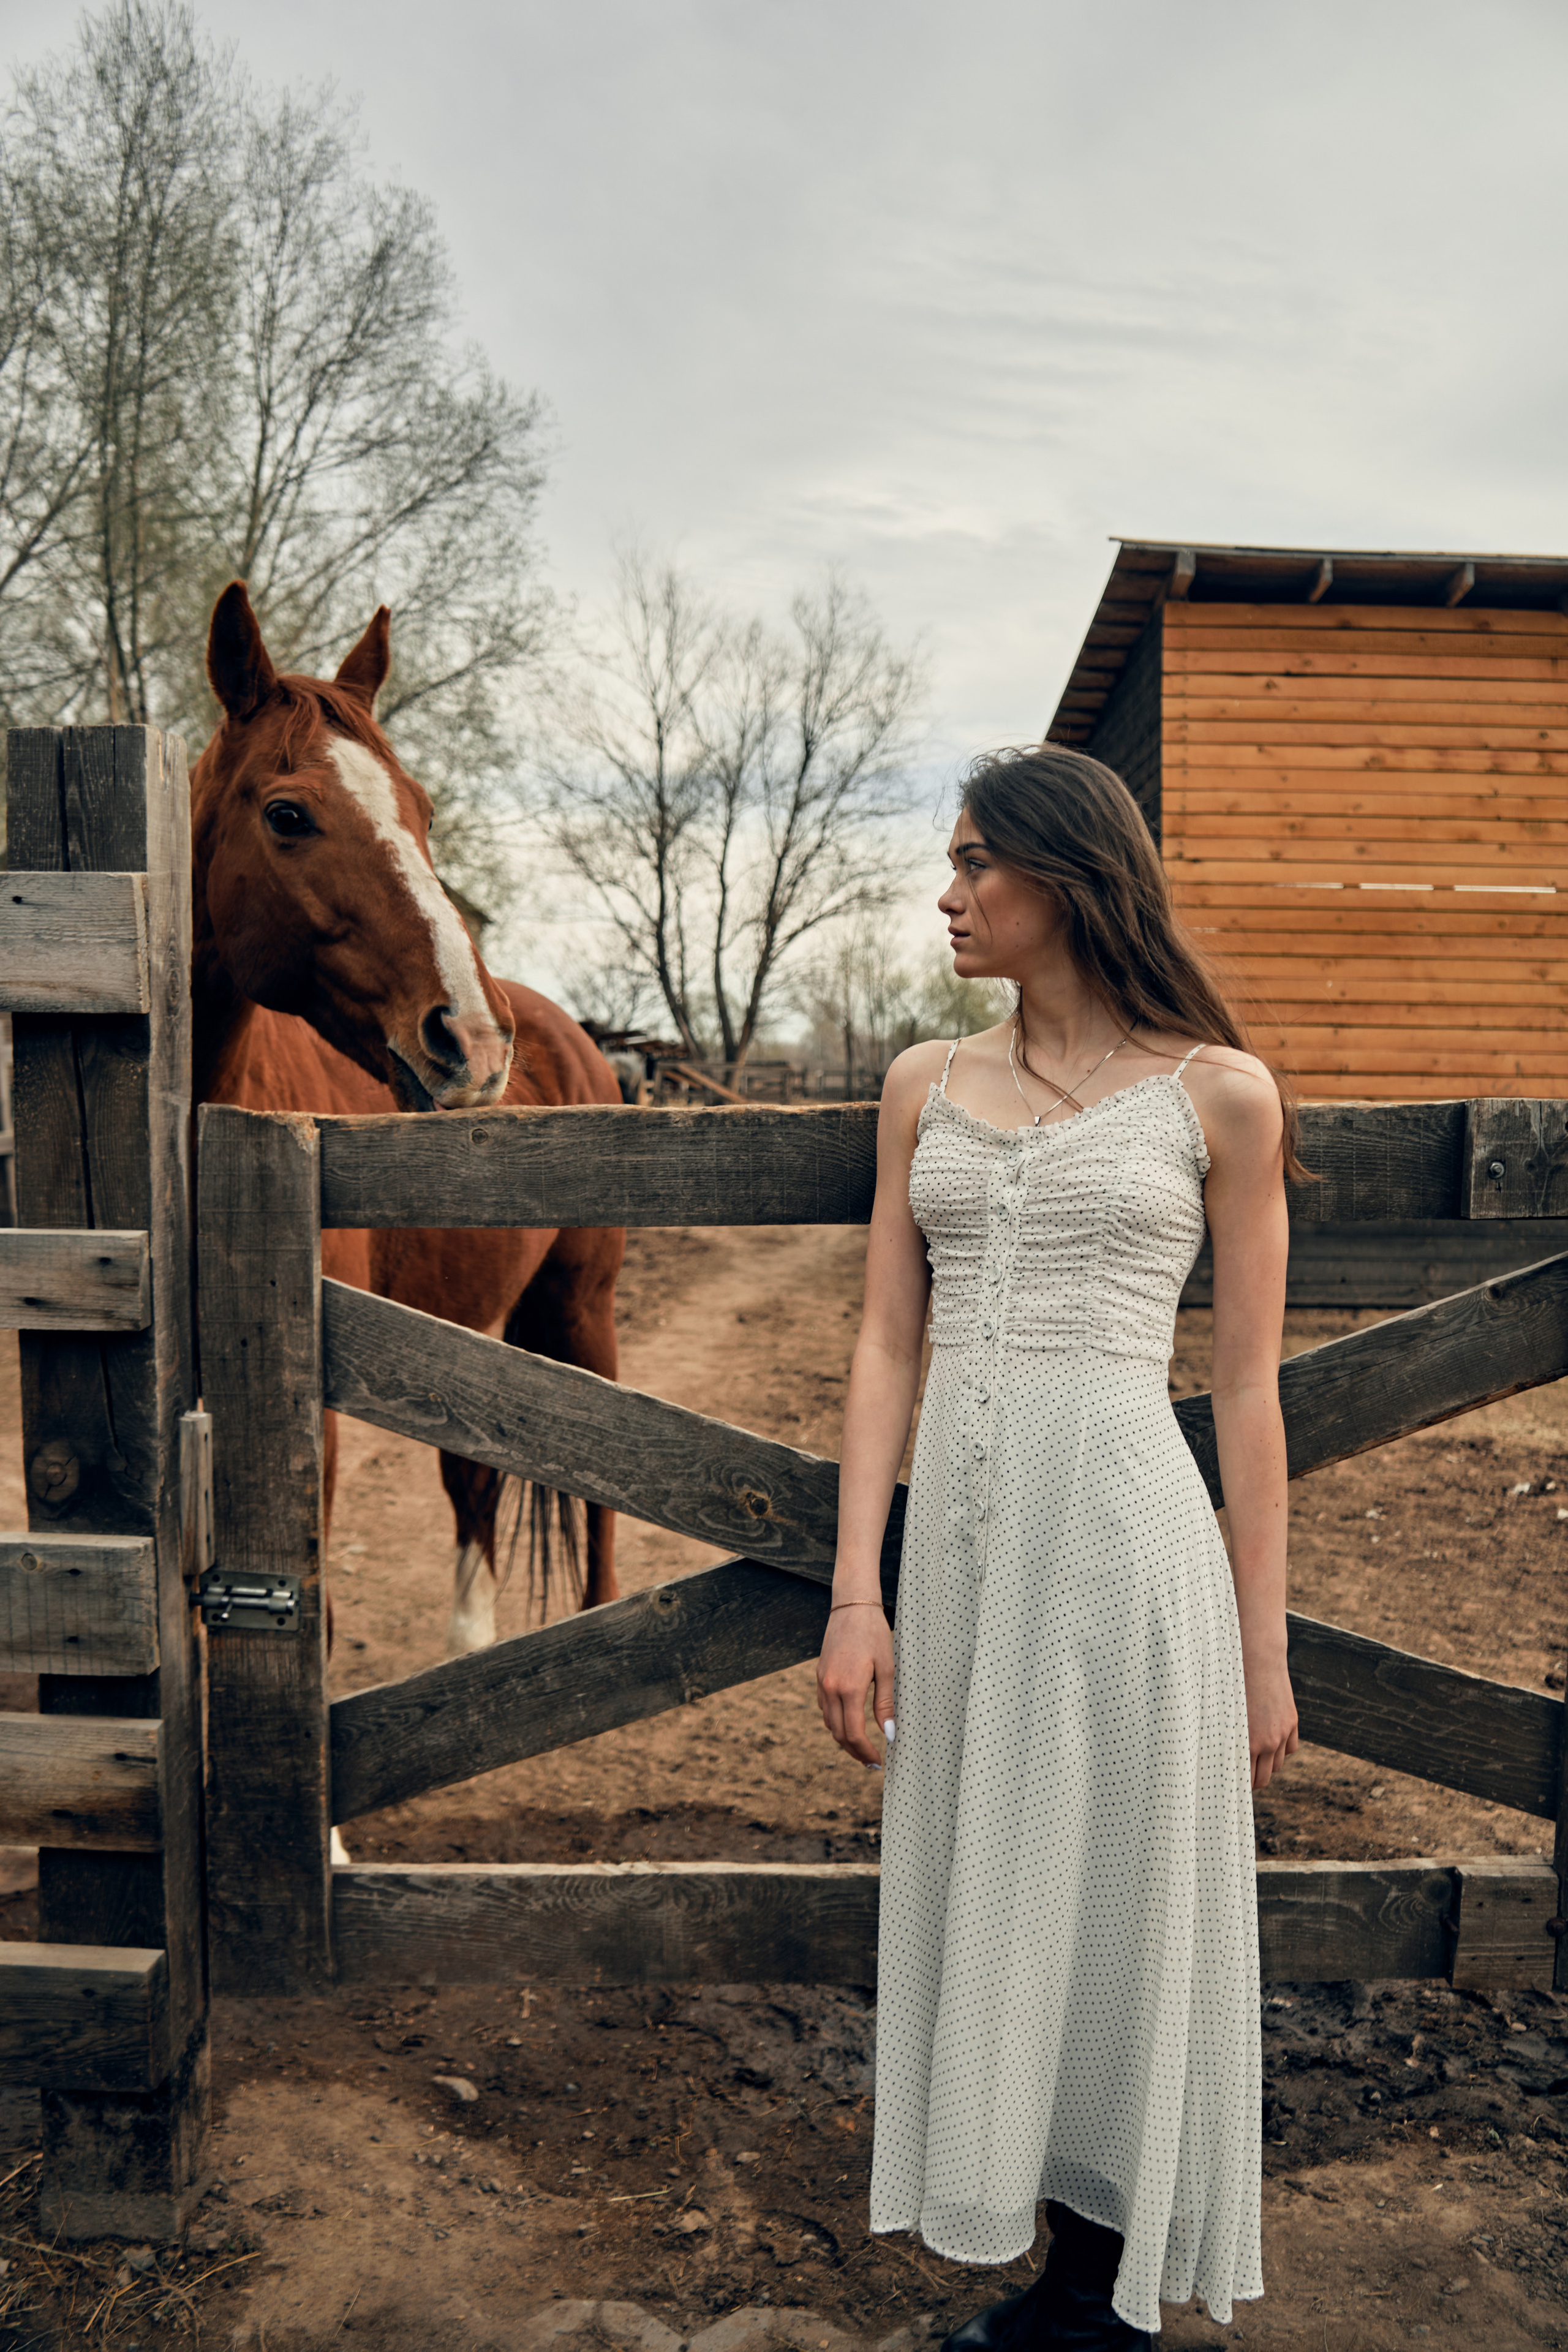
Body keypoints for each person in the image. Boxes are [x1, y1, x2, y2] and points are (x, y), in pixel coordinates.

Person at [816, 745, 1300, 2349]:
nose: (948, 897)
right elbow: (888, 1345)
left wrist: (1263, 1650)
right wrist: (853, 1594)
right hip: (959, 1550)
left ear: (1068, 878)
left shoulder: (1218, 1093)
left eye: (975, 866)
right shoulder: (921, 1085)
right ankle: (1039, 2250)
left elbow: (1242, 1392)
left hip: (1126, 1541)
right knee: (994, 1867)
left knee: (1120, 1881)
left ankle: (1097, 2292)